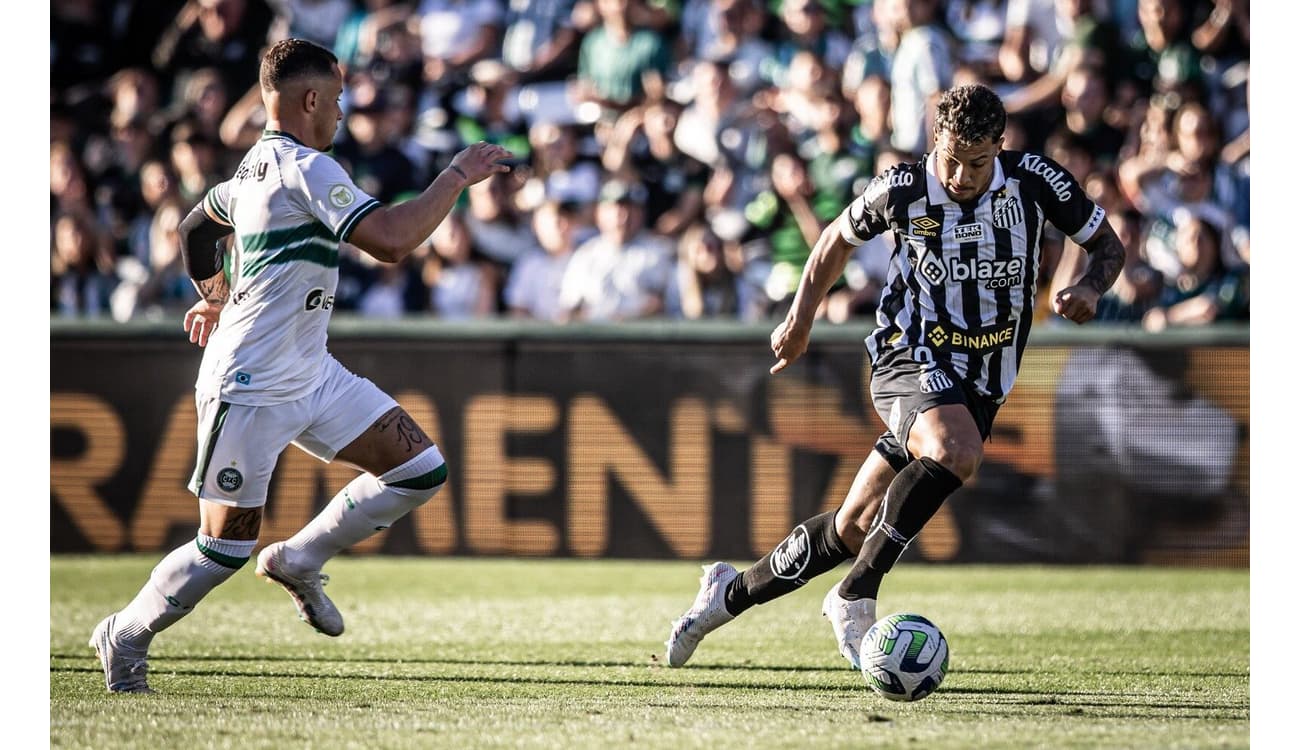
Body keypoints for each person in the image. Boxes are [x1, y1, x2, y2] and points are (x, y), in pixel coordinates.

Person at [88, 38, 513, 693]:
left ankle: (299, 558)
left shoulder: (255, 168)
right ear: (310, 99)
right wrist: (456, 175)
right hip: (251, 382)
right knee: (224, 548)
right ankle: (125, 632)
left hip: (309, 371)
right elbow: (394, 243)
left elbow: (197, 229)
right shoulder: (306, 169)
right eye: (338, 99)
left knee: (420, 468)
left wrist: (217, 296)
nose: (342, 112)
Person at [664, 83, 1124, 671]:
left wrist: (1089, 286)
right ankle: (856, 595)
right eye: (951, 158)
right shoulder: (903, 188)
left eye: (977, 163)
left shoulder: (1035, 181)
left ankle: (722, 597)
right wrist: (800, 321)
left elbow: (1108, 247)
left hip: (981, 381)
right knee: (957, 450)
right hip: (907, 355)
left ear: (1000, 149)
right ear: (937, 140)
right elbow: (834, 240)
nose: (960, 175)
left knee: (852, 526)